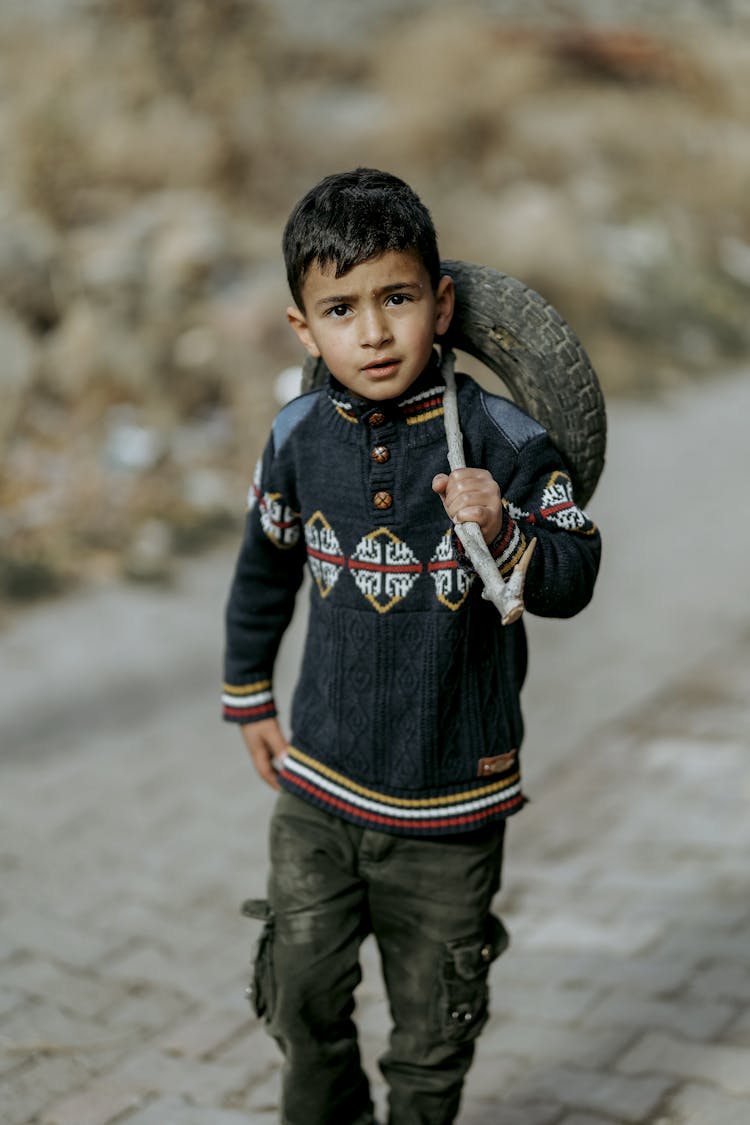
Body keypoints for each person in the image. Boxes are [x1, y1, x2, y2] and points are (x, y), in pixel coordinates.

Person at [223, 167, 601, 1125]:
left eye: (396, 299)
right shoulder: (297, 436)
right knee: (299, 1001)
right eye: (341, 309)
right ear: (305, 330)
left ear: (441, 302)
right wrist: (249, 695)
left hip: (455, 801)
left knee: (433, 1043)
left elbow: (575, 572)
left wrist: (511, 529)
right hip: (320, 787)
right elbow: (264, 569)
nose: (375, 332)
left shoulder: (504, 440)